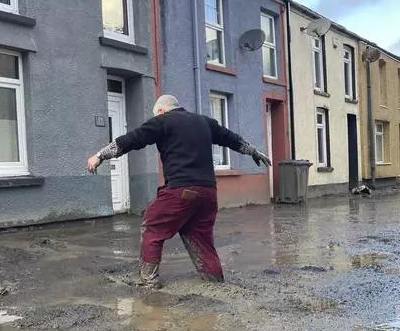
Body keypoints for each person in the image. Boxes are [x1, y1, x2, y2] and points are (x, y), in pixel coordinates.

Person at [87, 95, 271, 288]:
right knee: (200, 239)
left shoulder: (163, 121)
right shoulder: (205, 122)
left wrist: (100, 155)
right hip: (208, 194)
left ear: (162, 111)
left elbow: (132, 139)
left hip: (181, 191)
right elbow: (232, 139)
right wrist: (254, 152)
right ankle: (216, 283)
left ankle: (148, 284)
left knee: (152, 228)